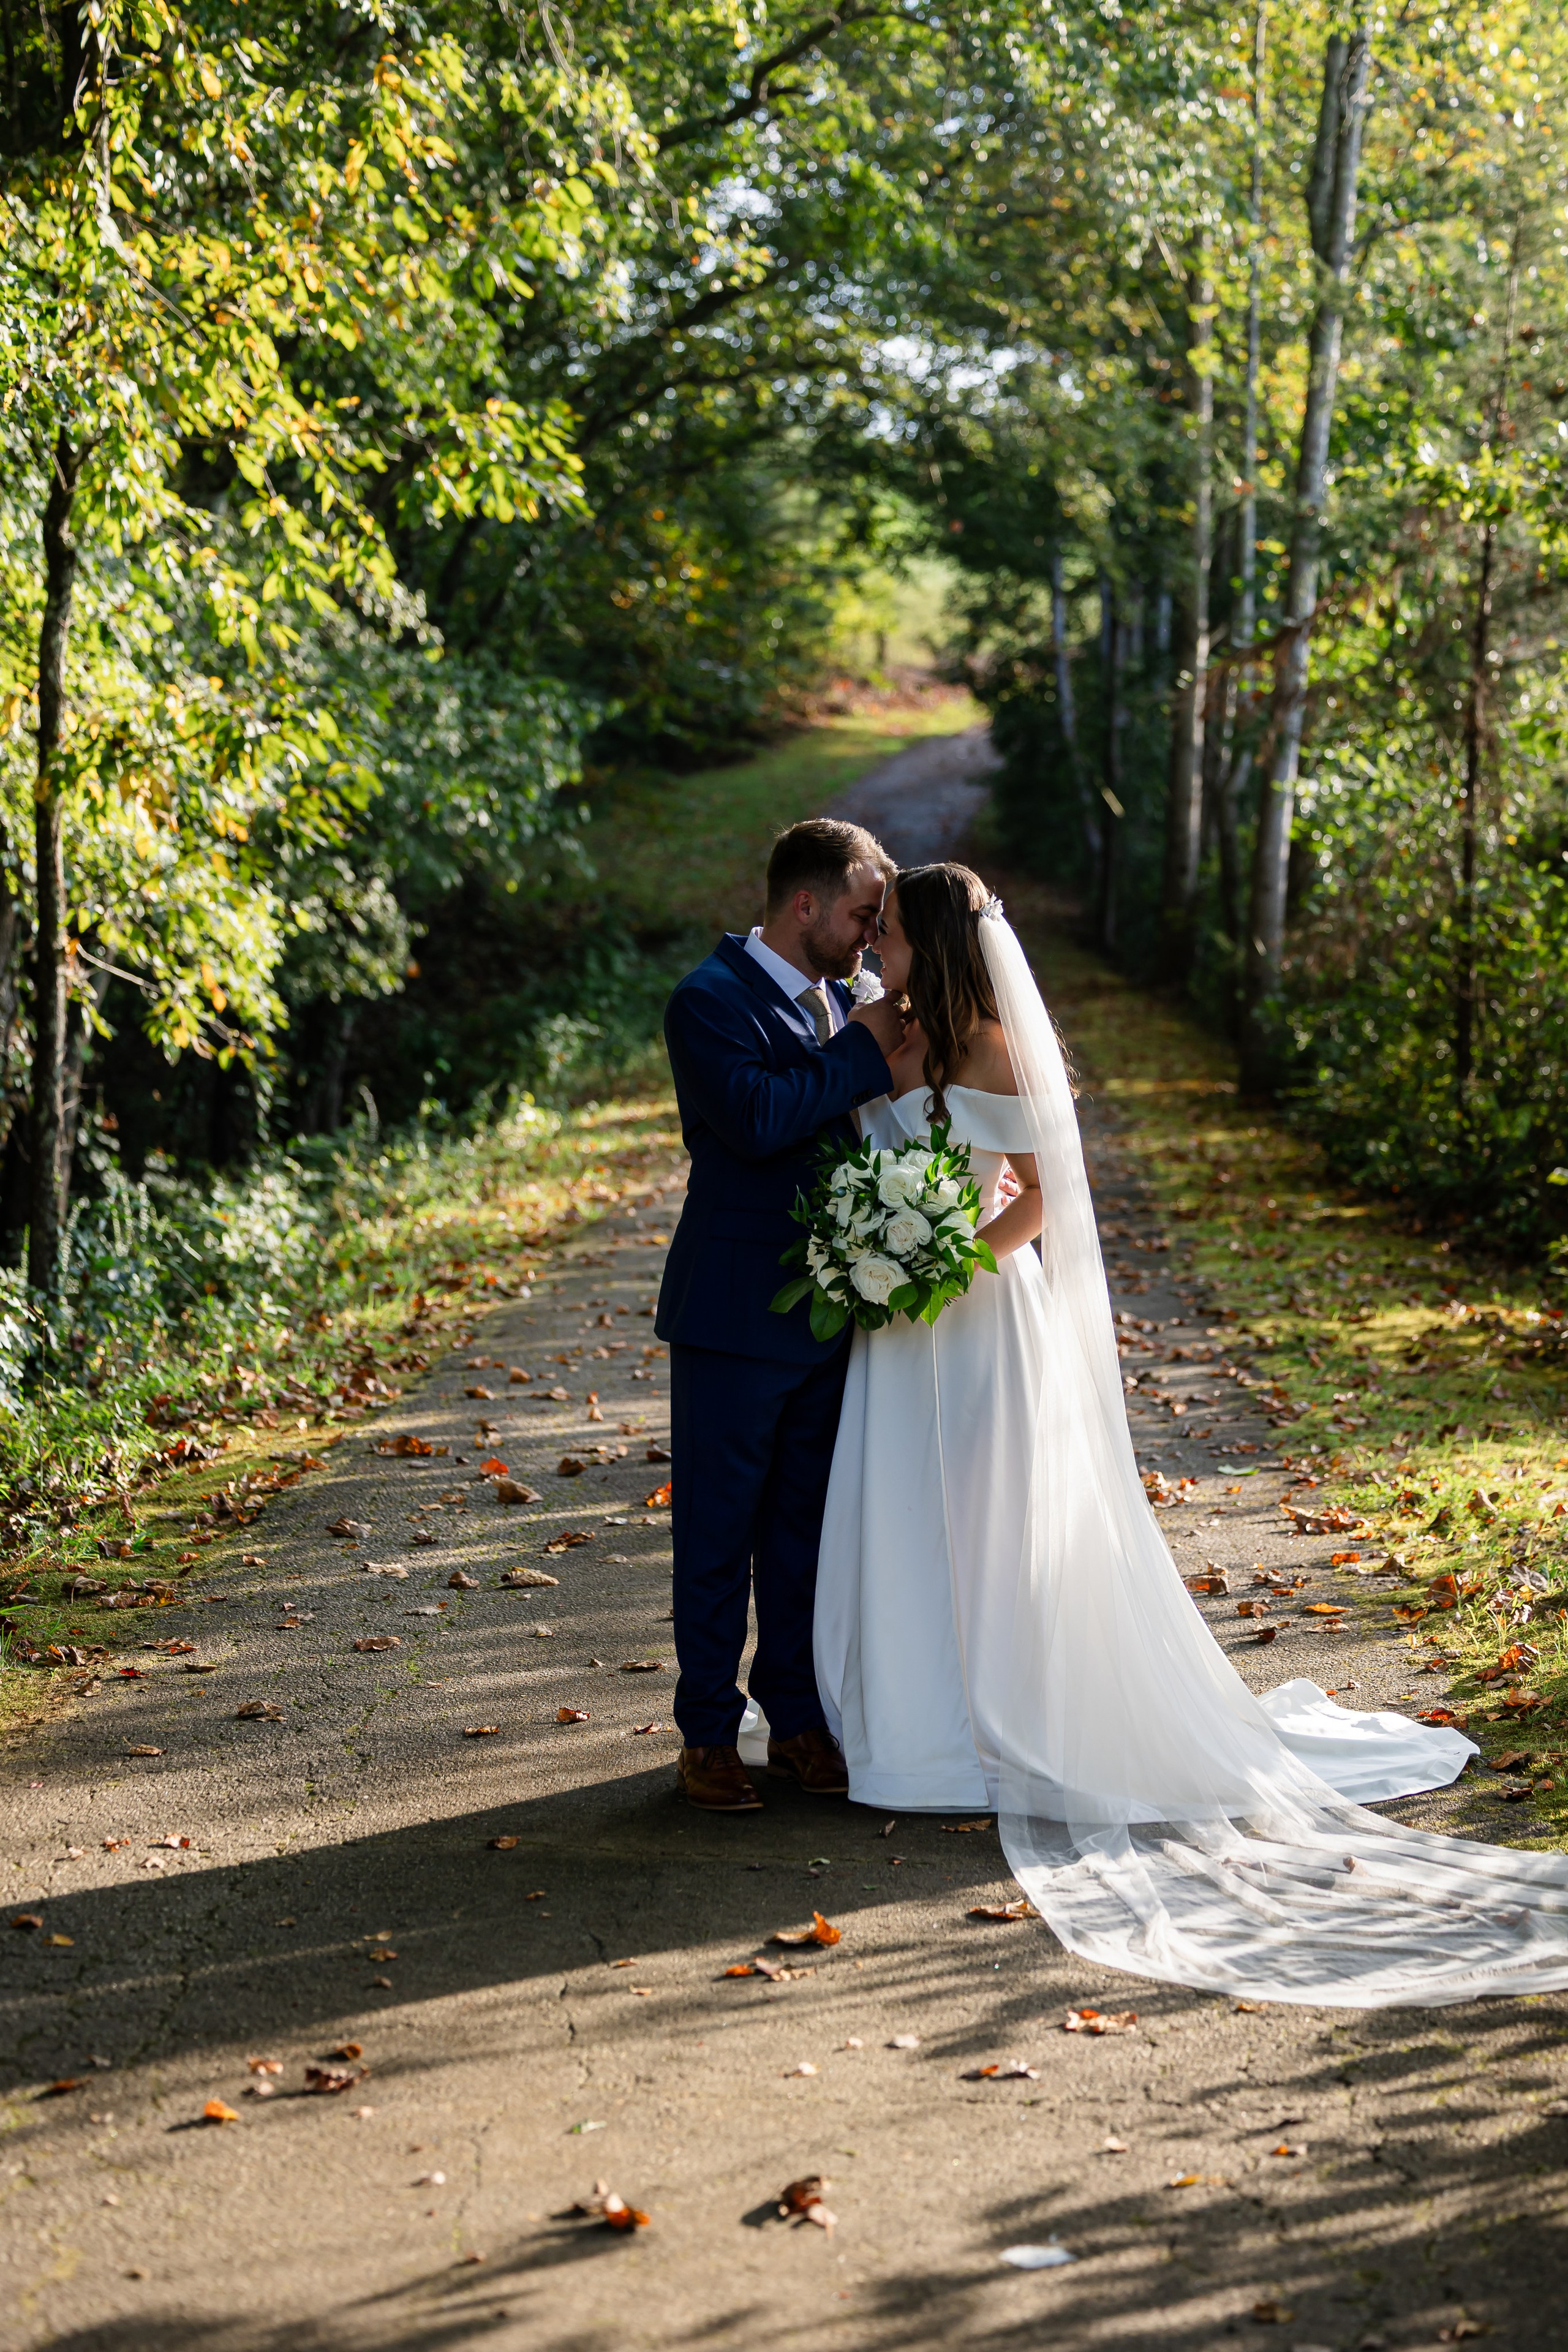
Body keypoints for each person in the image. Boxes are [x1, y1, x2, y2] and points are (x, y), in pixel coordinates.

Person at [812, 862, 1568, 2007]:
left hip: (975, 1316)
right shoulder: (893, 1035)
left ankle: (979, 1722)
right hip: (894, 1329)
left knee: (976, 1508)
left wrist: (952, 1254)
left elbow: (1046, 1192)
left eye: (898, 936)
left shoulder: (998, 1052)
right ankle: (901, 1720)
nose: (883, 950)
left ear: (942, 946)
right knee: (901, 1511)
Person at [657, 817, 905, 1812]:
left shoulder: (842, 999)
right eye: (860, 915)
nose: (869, 936)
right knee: (719, 1533)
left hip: (827, 1311)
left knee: (804, 1530)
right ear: (805, 903)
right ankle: (707, 1733)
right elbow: (758, 1120)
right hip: (730, 1314)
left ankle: (795, 1717)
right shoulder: (706, 1001)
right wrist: (870, 1050)